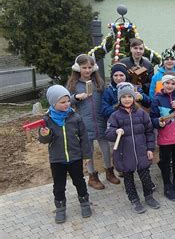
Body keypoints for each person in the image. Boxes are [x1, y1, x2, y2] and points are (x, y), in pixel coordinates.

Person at [38, 85, 92, 224]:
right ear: (52, 103)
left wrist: (86, 155)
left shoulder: (75, 117)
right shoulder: (46, 120)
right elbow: (44, 140)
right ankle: (60, 208)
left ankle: (85, 203)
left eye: (68, 101)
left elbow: (84, 138)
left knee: (79, 181)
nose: (67, 104)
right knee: (59, 185)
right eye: (62, 102)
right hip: (57, 159)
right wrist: (45, 134)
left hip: (75, 157)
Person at [105, 82, 159, 214]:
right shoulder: (115, 116)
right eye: (124, 97)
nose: (127, 99)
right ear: (119, 99)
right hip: (124, 154)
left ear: (134, 98)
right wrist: (115, 131)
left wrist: (150, 149)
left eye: (130, 96)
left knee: (146, 177)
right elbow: (108, 133)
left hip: (142, 152)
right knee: (128, 180)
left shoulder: (142, 114)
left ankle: (149, 196)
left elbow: (149, 132)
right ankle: (134, 199)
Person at [66, 54, 110, 190]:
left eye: (90, 67)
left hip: (100, 121)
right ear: (78, 68)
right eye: (84, 67)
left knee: (106, 148)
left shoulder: (98, 82)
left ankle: (109, 170)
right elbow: (66, 100)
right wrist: (76, 98)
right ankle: (92, 176)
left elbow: (105, 99)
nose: (87, 70)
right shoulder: (73, 85)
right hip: (84, 123)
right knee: (88, 151)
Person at [150, 72, 175, 201]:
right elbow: (153, 118)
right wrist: (158, 122)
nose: (170, 86)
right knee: (165, 162)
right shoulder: (157, 99)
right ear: (163, 84)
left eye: (173, 83)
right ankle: (167, 186)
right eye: (167, 83)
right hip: (165, 137)